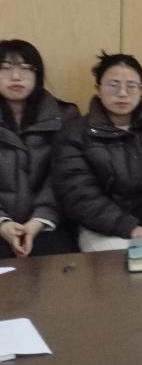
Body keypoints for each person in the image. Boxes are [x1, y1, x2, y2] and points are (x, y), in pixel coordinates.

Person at [53, 52, 142, 252]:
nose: (122, 93)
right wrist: (129, 228)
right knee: (121, 264)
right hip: (103, 229)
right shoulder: (75, 133)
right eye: (113, 85)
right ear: (98, 88)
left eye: (131, 86)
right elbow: (79, 193)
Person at [0, 40, 79, 258]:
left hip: (50, 223)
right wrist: (3, 224)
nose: (16, 77)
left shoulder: (65, 117)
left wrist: (39, 221)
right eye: (5, 68)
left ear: (38, 74)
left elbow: (64, 176)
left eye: (26, 68)